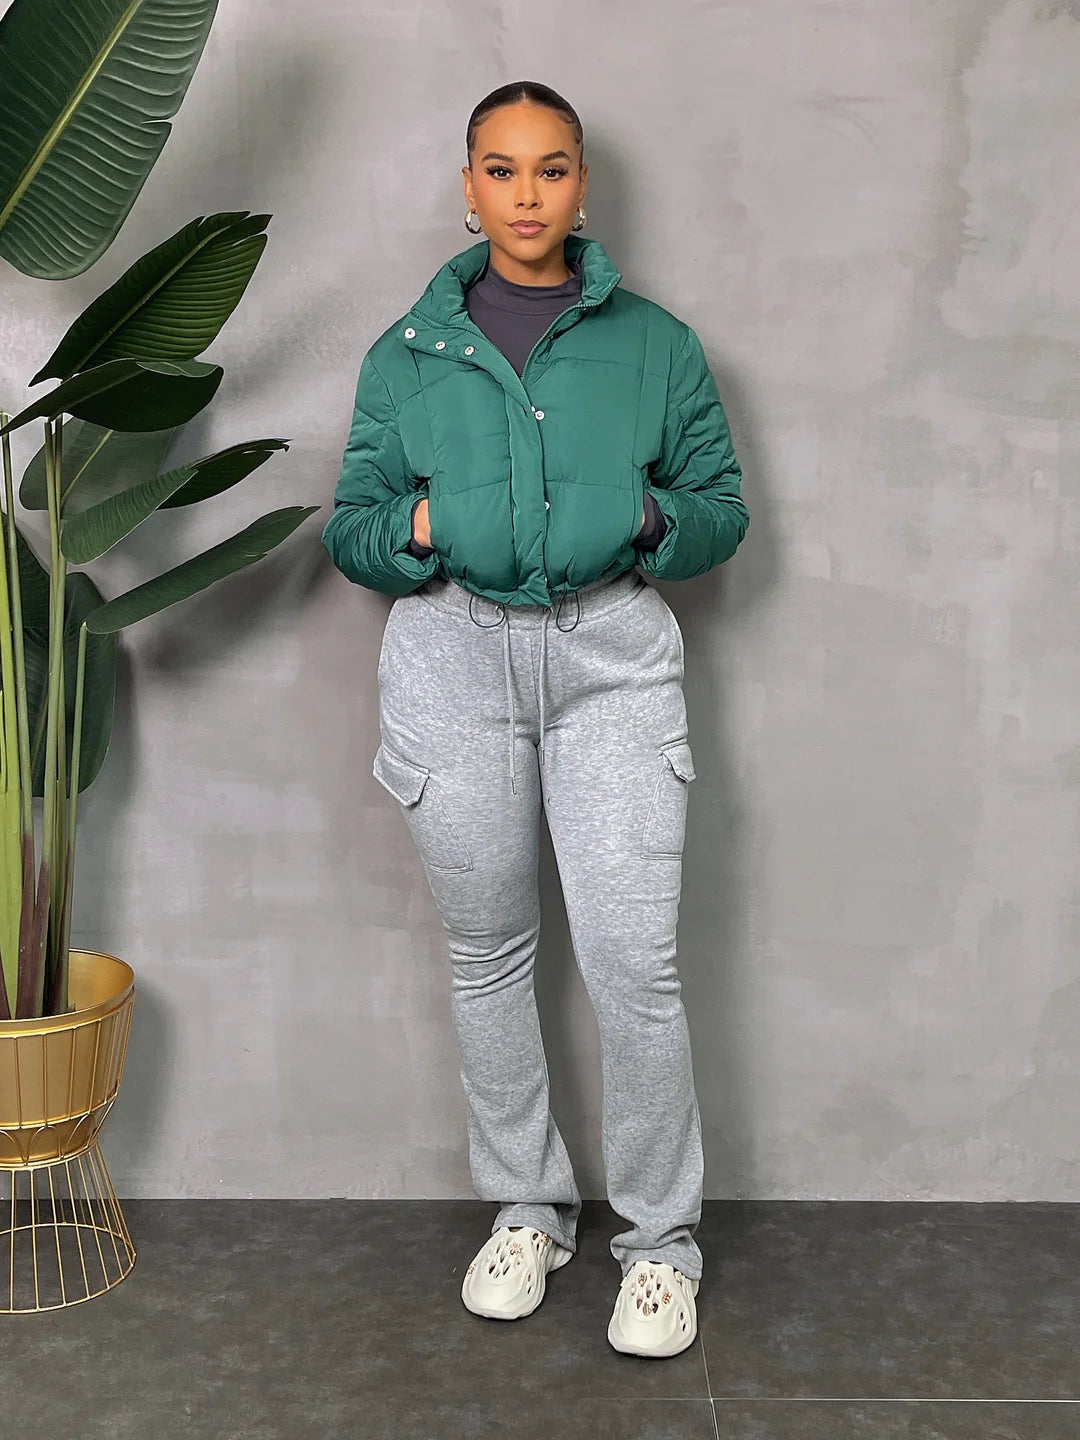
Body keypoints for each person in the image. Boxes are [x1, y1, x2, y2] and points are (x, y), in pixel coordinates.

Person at [321, 80, 749, 1360]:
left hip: (612, 659)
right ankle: (527, 1207)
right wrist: (423, 526)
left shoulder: (658, 344)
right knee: (489, 952)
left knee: (636, 967)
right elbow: (352, 524)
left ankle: (661, 1244)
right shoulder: (404, 354)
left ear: (580, 187)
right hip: (452, 662)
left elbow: (720, 507)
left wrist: (646, 518)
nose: (526, 194)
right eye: (500, 172)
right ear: (468, 188)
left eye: (551, 169)